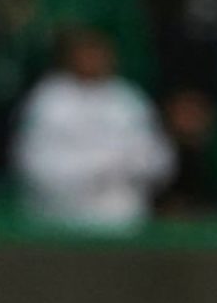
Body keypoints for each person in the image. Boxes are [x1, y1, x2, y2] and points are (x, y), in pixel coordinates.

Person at [11, 27, 173, 231]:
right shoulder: (48, 100)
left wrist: (128, 168)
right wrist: (96, 169)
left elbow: (159, 158)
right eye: (86, 53)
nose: (93, 60)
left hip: (124, 220)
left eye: (98, 53)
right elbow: (32, 163)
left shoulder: (129, 99)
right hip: (58, 220)